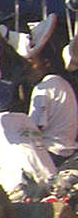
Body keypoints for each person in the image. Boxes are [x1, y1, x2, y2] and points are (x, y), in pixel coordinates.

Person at [24, 32, 78, 167]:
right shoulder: (63, 83)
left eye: (31, 64)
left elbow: (34, 128)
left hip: (51, 153)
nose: (26, 69)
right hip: (67, 151)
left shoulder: (44, 88)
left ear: (46, 63)